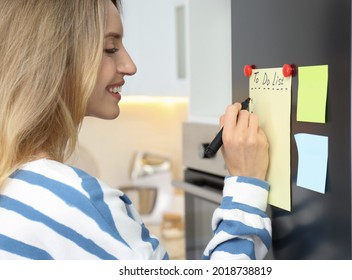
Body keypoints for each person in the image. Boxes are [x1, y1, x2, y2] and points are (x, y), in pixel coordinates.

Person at [0, 0, 271, 260]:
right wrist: (246, 185)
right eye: (110, 48)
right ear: (52, 59)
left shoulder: (13, 180)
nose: (130, 66)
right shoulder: (74, 202)